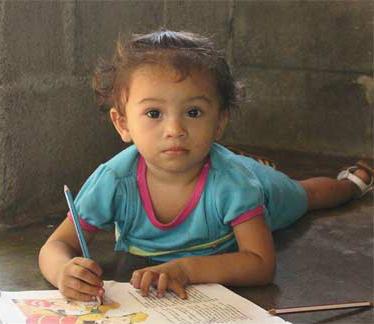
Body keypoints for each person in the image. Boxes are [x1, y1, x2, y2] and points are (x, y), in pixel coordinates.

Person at [39, 29, 373, 302]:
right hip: (227, 168)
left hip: (260, 191)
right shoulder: (113, 179)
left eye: (194, 112)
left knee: (304, 195)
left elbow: (260, 263)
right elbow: (56, 246)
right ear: (122, 123)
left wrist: (184, 270)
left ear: (219, 121)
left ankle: (352, 182)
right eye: (154, 113)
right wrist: (63, 272)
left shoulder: (234, 184)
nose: (175, 130)